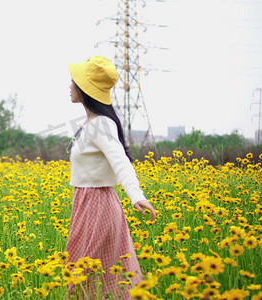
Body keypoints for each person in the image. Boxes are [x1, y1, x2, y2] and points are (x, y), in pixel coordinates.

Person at [64, 55, 156, 299]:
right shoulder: (90, 122)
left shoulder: (101, 124)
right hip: (85, 204)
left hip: (98, 206)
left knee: (88, 276)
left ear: (84, 89)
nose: (69, 86)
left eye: (73, 81)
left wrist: (136, 196)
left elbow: (121, 161)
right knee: (89, 275)